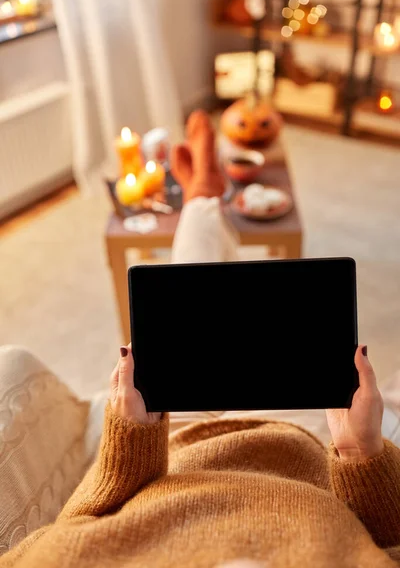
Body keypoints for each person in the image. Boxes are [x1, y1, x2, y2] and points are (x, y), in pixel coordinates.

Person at [1, 111, 399, 568]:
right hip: (299, 444)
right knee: (242, 319)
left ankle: (202, 196)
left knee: (188, 293)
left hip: (180, 448)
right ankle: (204, 196)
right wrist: (360, 450)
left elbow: (69, 530)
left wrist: (133, 441)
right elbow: (390, 542)